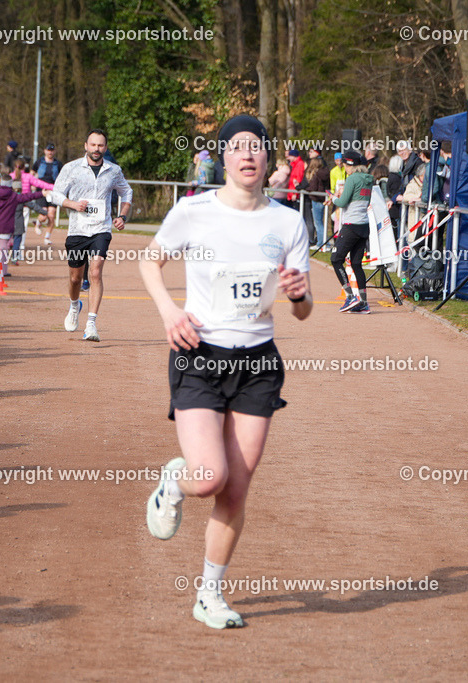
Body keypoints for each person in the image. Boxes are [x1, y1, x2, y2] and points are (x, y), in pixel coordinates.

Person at [139, 113, 311, 630]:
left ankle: (209, 594)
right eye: (237, 147)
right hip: (199, 354)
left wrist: (300, 297)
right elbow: (150, 261)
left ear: (268, 157)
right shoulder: (192, 212)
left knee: (236, 489)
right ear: (222, 157)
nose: (248, 155)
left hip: (257, 363)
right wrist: (171, 313)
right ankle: (175, 479)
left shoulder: (288, 222)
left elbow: (302, 309)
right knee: (209, 477)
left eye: (256, 146)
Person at [46, 129, 133, 343]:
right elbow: (54, 194)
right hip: (77, 230)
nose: (97, 149)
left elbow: (126, 192)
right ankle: (75, 305)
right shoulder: (71, 168)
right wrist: (72, 204)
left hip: (101, 229)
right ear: (86, 145)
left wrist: (122, 215)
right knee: (76, 278)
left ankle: (91, 323)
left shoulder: (113, 170)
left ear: (105, 147)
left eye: (101, 145)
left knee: (95, 272)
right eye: (93, 145)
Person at [327, 151, 374, 314]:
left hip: (351, 224)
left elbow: (342, 202)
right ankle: (364, 302)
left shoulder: (352, 178)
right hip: (363, 225)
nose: (345, 168)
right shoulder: (369, 179)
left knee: (336, 259)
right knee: (356, 264)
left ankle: (350, 296)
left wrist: (333, 198)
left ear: (351, 165)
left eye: (346, 165)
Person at [0, 174, 45, 277]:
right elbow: (28, 196)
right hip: (5, 227)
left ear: (1, 183)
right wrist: (41, 193)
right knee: (4, 248)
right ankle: (3, 271)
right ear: (10, 184)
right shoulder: (14, 196)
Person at [35, 143, 62, 244]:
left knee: (52, 214)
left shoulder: (58, 164)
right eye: (48, 150)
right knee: (43, 215)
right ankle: (38, 222)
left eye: (52, 150)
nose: (50, 152)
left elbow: (62, 177)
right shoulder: (39, 162)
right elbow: (32, 173)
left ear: (54, 151)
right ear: (45, 151)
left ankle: (47, 237)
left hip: (53, 191)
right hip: (41, 191)